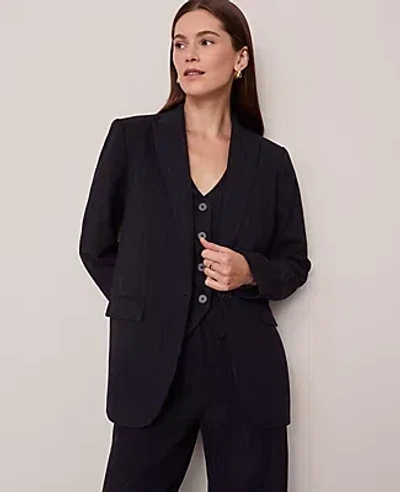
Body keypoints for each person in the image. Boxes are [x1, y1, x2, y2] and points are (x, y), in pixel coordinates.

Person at [78, 0, 312, 490]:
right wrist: (146, 304)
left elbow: (294, 262)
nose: (189, 54)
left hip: (246, 370)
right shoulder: (132, 140)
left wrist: (250, 272)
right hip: (151, 369)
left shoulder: (270, 162)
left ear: (240, 58)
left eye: (206, 41)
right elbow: (95, 245)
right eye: (180, 44)